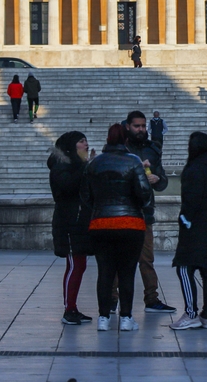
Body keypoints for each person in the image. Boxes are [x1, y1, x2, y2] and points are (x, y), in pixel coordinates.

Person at [81, 123, 155, 331]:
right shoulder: (133, 161)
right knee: (126, 272)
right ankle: (126, 318)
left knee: (104, 272)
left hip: (100, 223)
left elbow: (85, 196)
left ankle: (103, 318)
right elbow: (144, 192)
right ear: (126, 140)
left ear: (107, 139)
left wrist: (100, 207)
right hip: (130, 223)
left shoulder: (95, 164)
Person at [170, 132, 207, 331]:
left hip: (197, 224)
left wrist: (185, 218)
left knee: (184, 267)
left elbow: (192, 198)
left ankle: (191, 313)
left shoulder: (195, 168)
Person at [124, 110, 175, 313]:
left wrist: (158, 179)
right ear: (128, 127)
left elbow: (162, 180)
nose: (141, 129)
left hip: (145, 212)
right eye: (137, 126)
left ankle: (152, 299)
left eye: (144, 126)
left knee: (147, 259)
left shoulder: (153, 149)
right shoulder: (120, 149)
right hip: (124, 211)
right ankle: (111, 300)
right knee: (121, 259)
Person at [49, 131, 93, 326]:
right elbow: (67, 186)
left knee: (79, 265)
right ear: (72, 146)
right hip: (68, 223)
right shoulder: (61, 165)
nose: (86, 144)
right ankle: (69, 309)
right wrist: (85, 166)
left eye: (85, 141)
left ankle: (73, 307)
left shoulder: (77, 165)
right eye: (81, 142)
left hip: (79, 221)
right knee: (75, 265)